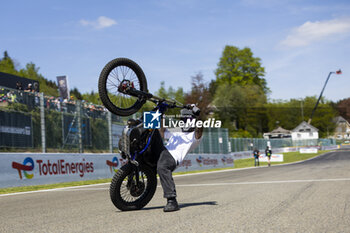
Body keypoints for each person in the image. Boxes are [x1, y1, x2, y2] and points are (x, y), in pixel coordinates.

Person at [157, 105, 203, 212]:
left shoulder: (194, 136)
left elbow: (199, 130)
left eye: (190, 119)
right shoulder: (176, 130)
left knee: (162, 166)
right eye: (184, 119)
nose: (187, 121)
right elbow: (162, 132)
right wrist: (162, 114)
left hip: (172, 158)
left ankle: (172, 201)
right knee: (151, 133)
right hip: (162, 152)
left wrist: (198, 116)